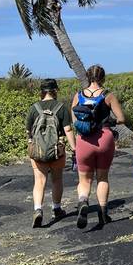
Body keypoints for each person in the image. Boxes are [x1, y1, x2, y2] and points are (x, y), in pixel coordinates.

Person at [72, 64, 126, 231]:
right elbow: (121, 118)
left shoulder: (78, 95)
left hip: (84, 140)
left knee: (84, 179)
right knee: (102, 177)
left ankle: (83, 201)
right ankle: (103, 212)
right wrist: (109, 121)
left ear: (88, 77)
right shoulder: (108, 95)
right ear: (103, 77)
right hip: (104, 138)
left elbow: (74, 121)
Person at [26, 78, 77, 228]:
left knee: (39, 181)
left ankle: (38, 209)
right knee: (56, 179)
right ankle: (56, 208)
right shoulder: (61, 107)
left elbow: (28, 131)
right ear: (55, 90)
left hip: (38, 150)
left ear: (41, 92)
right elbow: (68, 130)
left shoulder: (33, 108)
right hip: (57, 150)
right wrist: (74, 148)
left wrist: (32, 143)